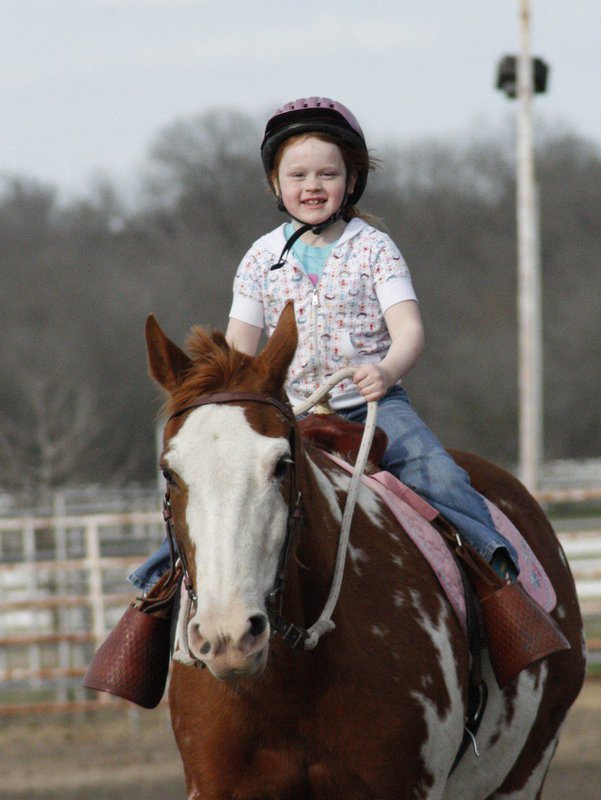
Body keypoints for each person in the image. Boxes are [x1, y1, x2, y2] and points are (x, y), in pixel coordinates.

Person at [130, 96, 518, 595]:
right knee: (213, 491)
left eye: (327, 174)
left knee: (438, 476)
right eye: (298, 175)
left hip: (372, 407)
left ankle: (499, 574)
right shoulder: (259, 259)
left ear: (351, 181)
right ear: (275, 183)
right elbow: (237, 353)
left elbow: (410, 332)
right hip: (289, 414)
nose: (312, 186)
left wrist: (387, 370)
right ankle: (161, 582)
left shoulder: (374, 248)